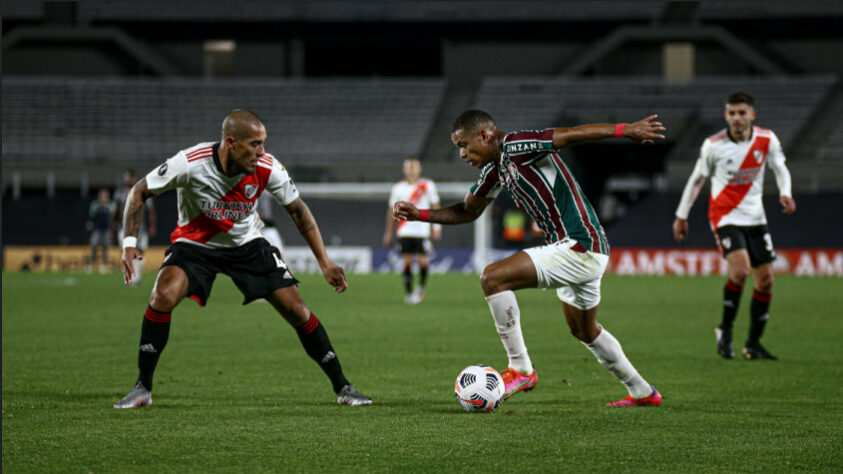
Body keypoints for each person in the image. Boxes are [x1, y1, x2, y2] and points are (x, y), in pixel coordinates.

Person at [394, 110, 666, 406]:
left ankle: (520, 369)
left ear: (484, 136)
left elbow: (570, 134)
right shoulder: (494, 170)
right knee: (584, 331)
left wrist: (625, 130)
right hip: (578, 250)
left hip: (579, 244)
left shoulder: (516, 144)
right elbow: (467, 211)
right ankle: (643, 392)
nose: (461, 154)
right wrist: (419, 214)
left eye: (464, 144)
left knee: (493, 277)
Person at [114, 109, 371, 408]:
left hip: (247, 245)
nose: (261, 152)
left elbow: (298, 210)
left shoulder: (268, 167)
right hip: (196, 246)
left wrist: (324, 262)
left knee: (296, 309)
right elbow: (139, 191)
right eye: (255, 144)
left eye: (263, 143)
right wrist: (128, 243)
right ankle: (142, 388)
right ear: (231, 142)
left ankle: (344, 387)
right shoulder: (190, 162)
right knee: (162, 295)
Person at [673, 92, 795, 361]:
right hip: (725, 216)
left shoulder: (766, 139)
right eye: (732, 113)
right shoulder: (713, 145)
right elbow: (696, 180)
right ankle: (726, 330)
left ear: (752, 115)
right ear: (726, 115)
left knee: (765, 281)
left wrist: (786, 192)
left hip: (756, 218)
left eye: (742, 113)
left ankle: (753, 344)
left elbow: (780, 167)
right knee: (740, 272)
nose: (737, 118)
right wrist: (682, 216)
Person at [383, 158, 441, 304]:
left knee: (423, 262)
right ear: (404, 170)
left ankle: (420, 289)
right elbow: (391, 211)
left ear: (419, 169)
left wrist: (436, 226)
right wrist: (388, 232)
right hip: (404, 230)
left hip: (422, 230)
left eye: (414, 167)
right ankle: (409, 293)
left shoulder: (427, 185)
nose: (411, 170)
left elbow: (435, 206)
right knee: (407, 261)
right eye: (408, 167)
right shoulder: (398, 187)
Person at [113, 170, 157, 286]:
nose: (127, 180)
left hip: (140, 228)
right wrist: (113, 226)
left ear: (134, 178)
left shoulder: (142, 191)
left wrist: (152, 226)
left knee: (140, 251)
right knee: (126, 252)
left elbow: (150, 211)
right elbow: (116, 211)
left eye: (129, 177)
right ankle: (128, 277)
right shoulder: (120, 193)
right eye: (126, 178)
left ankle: (137, 276)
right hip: (124, 227)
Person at [88, 188, 116, 274]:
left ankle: (104, 265)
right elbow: (91, 216)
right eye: (102, 196)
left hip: (107, 230)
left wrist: (112, 230)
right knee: (94, 247)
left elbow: (113, 217)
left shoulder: (111, 205)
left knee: (105, 248)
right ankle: (90, 264)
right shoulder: (95, 205)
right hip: (97, 230)